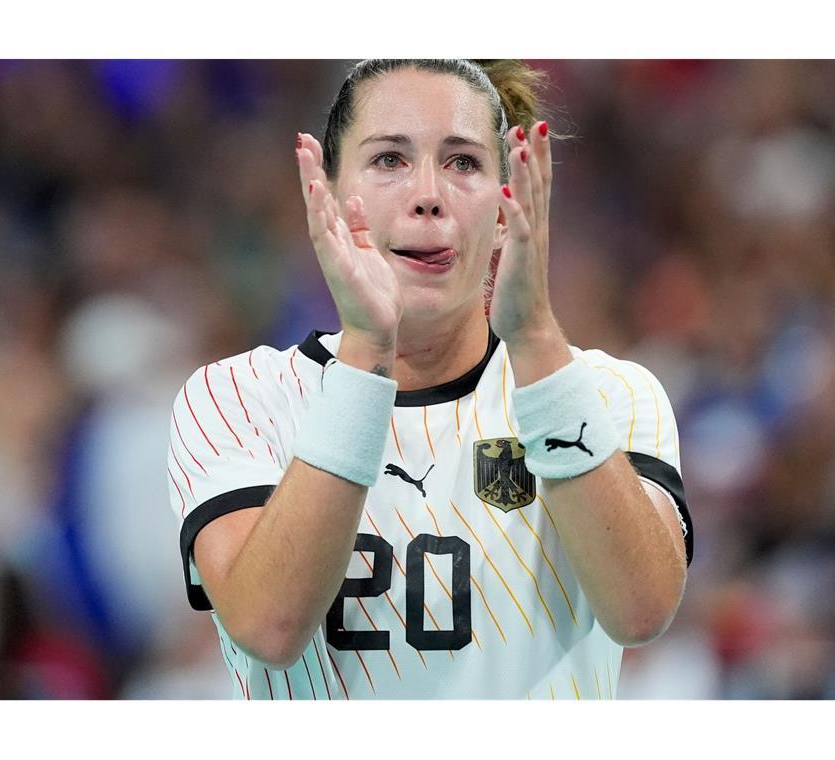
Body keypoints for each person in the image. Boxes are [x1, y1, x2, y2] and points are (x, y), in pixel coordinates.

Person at [166, 59, 692, 699]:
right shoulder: (236, 400)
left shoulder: (610, 394)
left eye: (463, 162)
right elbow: (269, 626)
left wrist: (534, 340)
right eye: (389, 159)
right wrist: (367, 347)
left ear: (508, 209)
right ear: (326, 194)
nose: (428, 194)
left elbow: (642, 611)